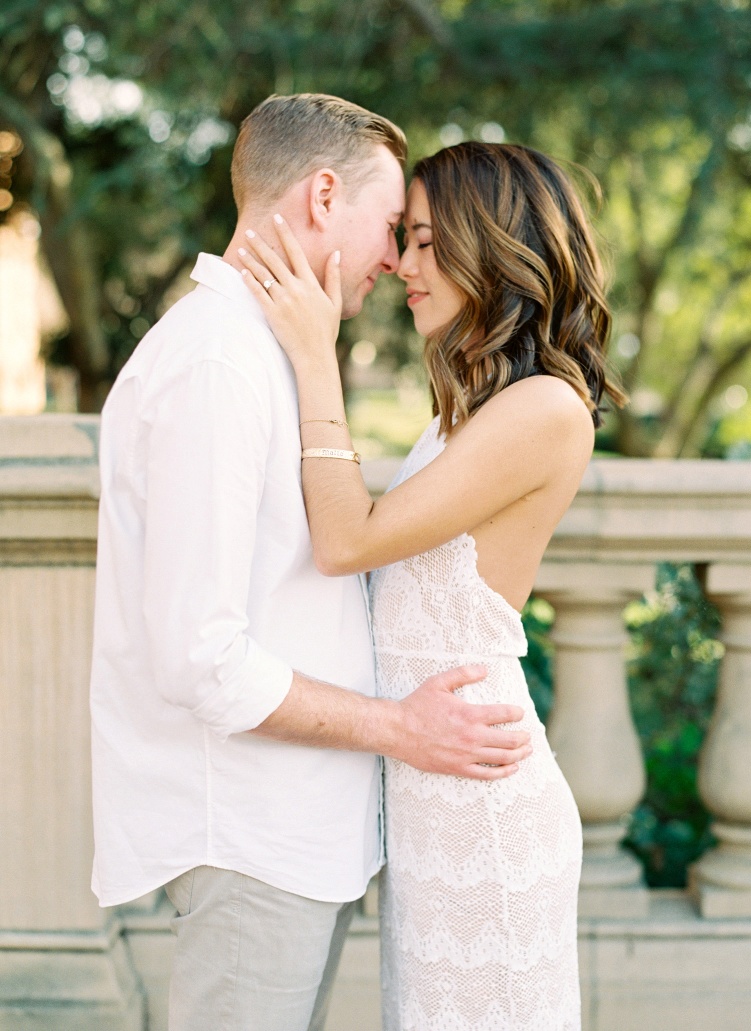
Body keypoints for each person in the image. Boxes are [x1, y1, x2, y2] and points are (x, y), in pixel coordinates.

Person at [89, 96, 533, 1031]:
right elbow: (200, 655)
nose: (396, 259)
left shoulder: (268, 354)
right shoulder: (218, 363)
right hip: (251, 836)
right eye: (391, 228)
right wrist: (398, 726)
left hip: (293, 833)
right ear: (323, 196)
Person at [239, 139, 627, 1031]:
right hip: (431, 788)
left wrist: (314, 357)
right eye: (402, 240)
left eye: (421, 241)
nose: (400, 264)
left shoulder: (546, 407)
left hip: (483, 801)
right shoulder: (474, 405)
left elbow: (347, 541)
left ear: (488, 245)